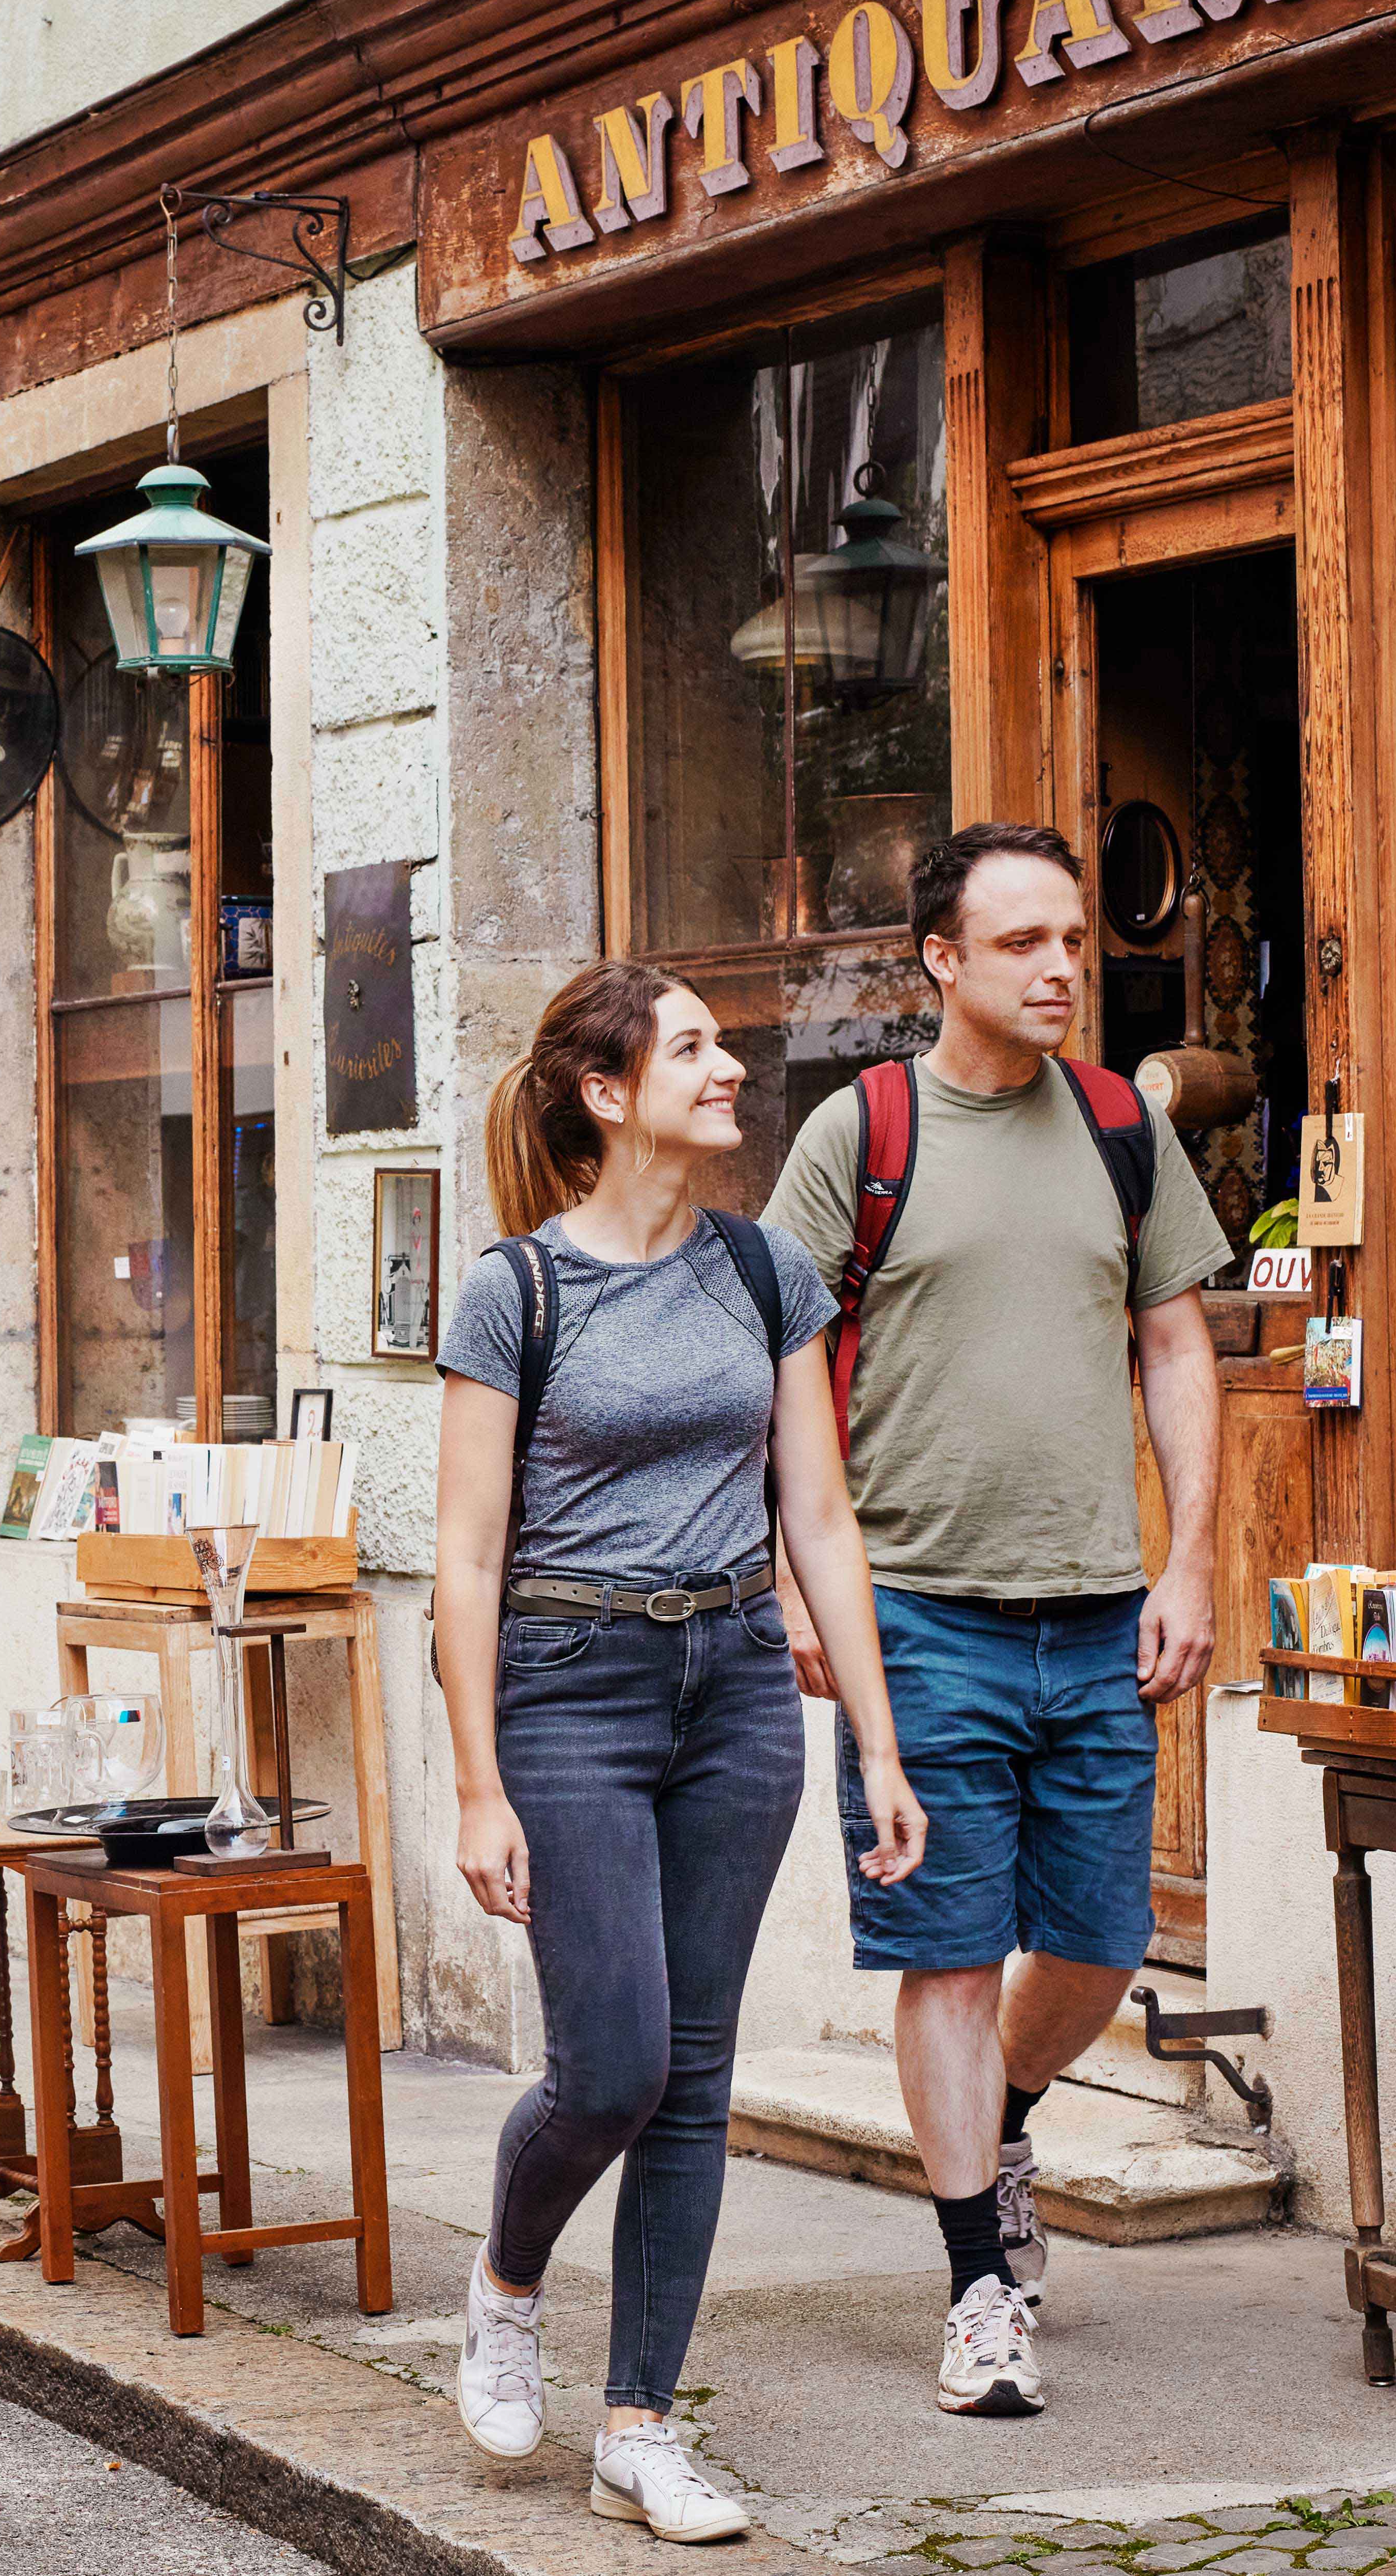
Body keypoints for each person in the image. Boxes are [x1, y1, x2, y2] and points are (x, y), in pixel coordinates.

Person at [434, 959, 926, 2539]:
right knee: (614, 2070)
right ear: (606, 1092)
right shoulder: (517, 1292)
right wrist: (475, 1785)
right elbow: (461, 1558)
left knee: (696, 2081)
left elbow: (822, 1519)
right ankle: (507, 2285)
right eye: (698, 1048)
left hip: (729, 1686)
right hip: (566, 1688)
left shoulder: (761, 1273)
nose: (730, 1068)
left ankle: (638, 2424)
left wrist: (879, 1738)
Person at [760, 822, 1231, 2419]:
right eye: (1021, 943)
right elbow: (777, 1374)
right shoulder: (861, 1130)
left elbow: (1175, 1347)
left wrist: (1190, 1562)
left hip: (1099, 1611)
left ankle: (1005, 2123)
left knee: (1096, 1946)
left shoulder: (1119, 1126)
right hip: (916, 1616)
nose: (1056, 971)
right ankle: (977, 2287)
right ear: (940, 962)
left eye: (1073, 942)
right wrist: (795, 1576)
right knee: (948, 1954)